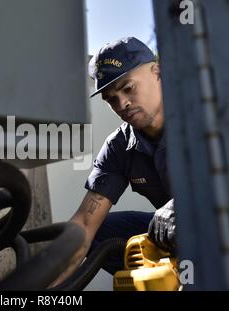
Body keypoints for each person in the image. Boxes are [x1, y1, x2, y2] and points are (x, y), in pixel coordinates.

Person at [51, 37, 176, 286]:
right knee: (97, 231)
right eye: (111, 98)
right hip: (173, 231)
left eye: (128, 88)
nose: (122, 104)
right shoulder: (119, 146)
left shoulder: (204, 114)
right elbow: (85, 224)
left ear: (157, 72)